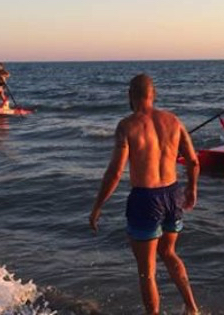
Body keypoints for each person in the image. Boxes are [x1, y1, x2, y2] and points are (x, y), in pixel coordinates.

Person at [89, 74, 200, 315]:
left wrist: (97, 206)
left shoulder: (127, 126)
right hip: (173, 196)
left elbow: (116, 173)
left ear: (131, 95)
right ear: (153, 95)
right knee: (169, 253)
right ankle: (192, 308)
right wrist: (192, 189)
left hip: (146, 199)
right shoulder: (174, 121)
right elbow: (193, 161)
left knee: (146, 271)